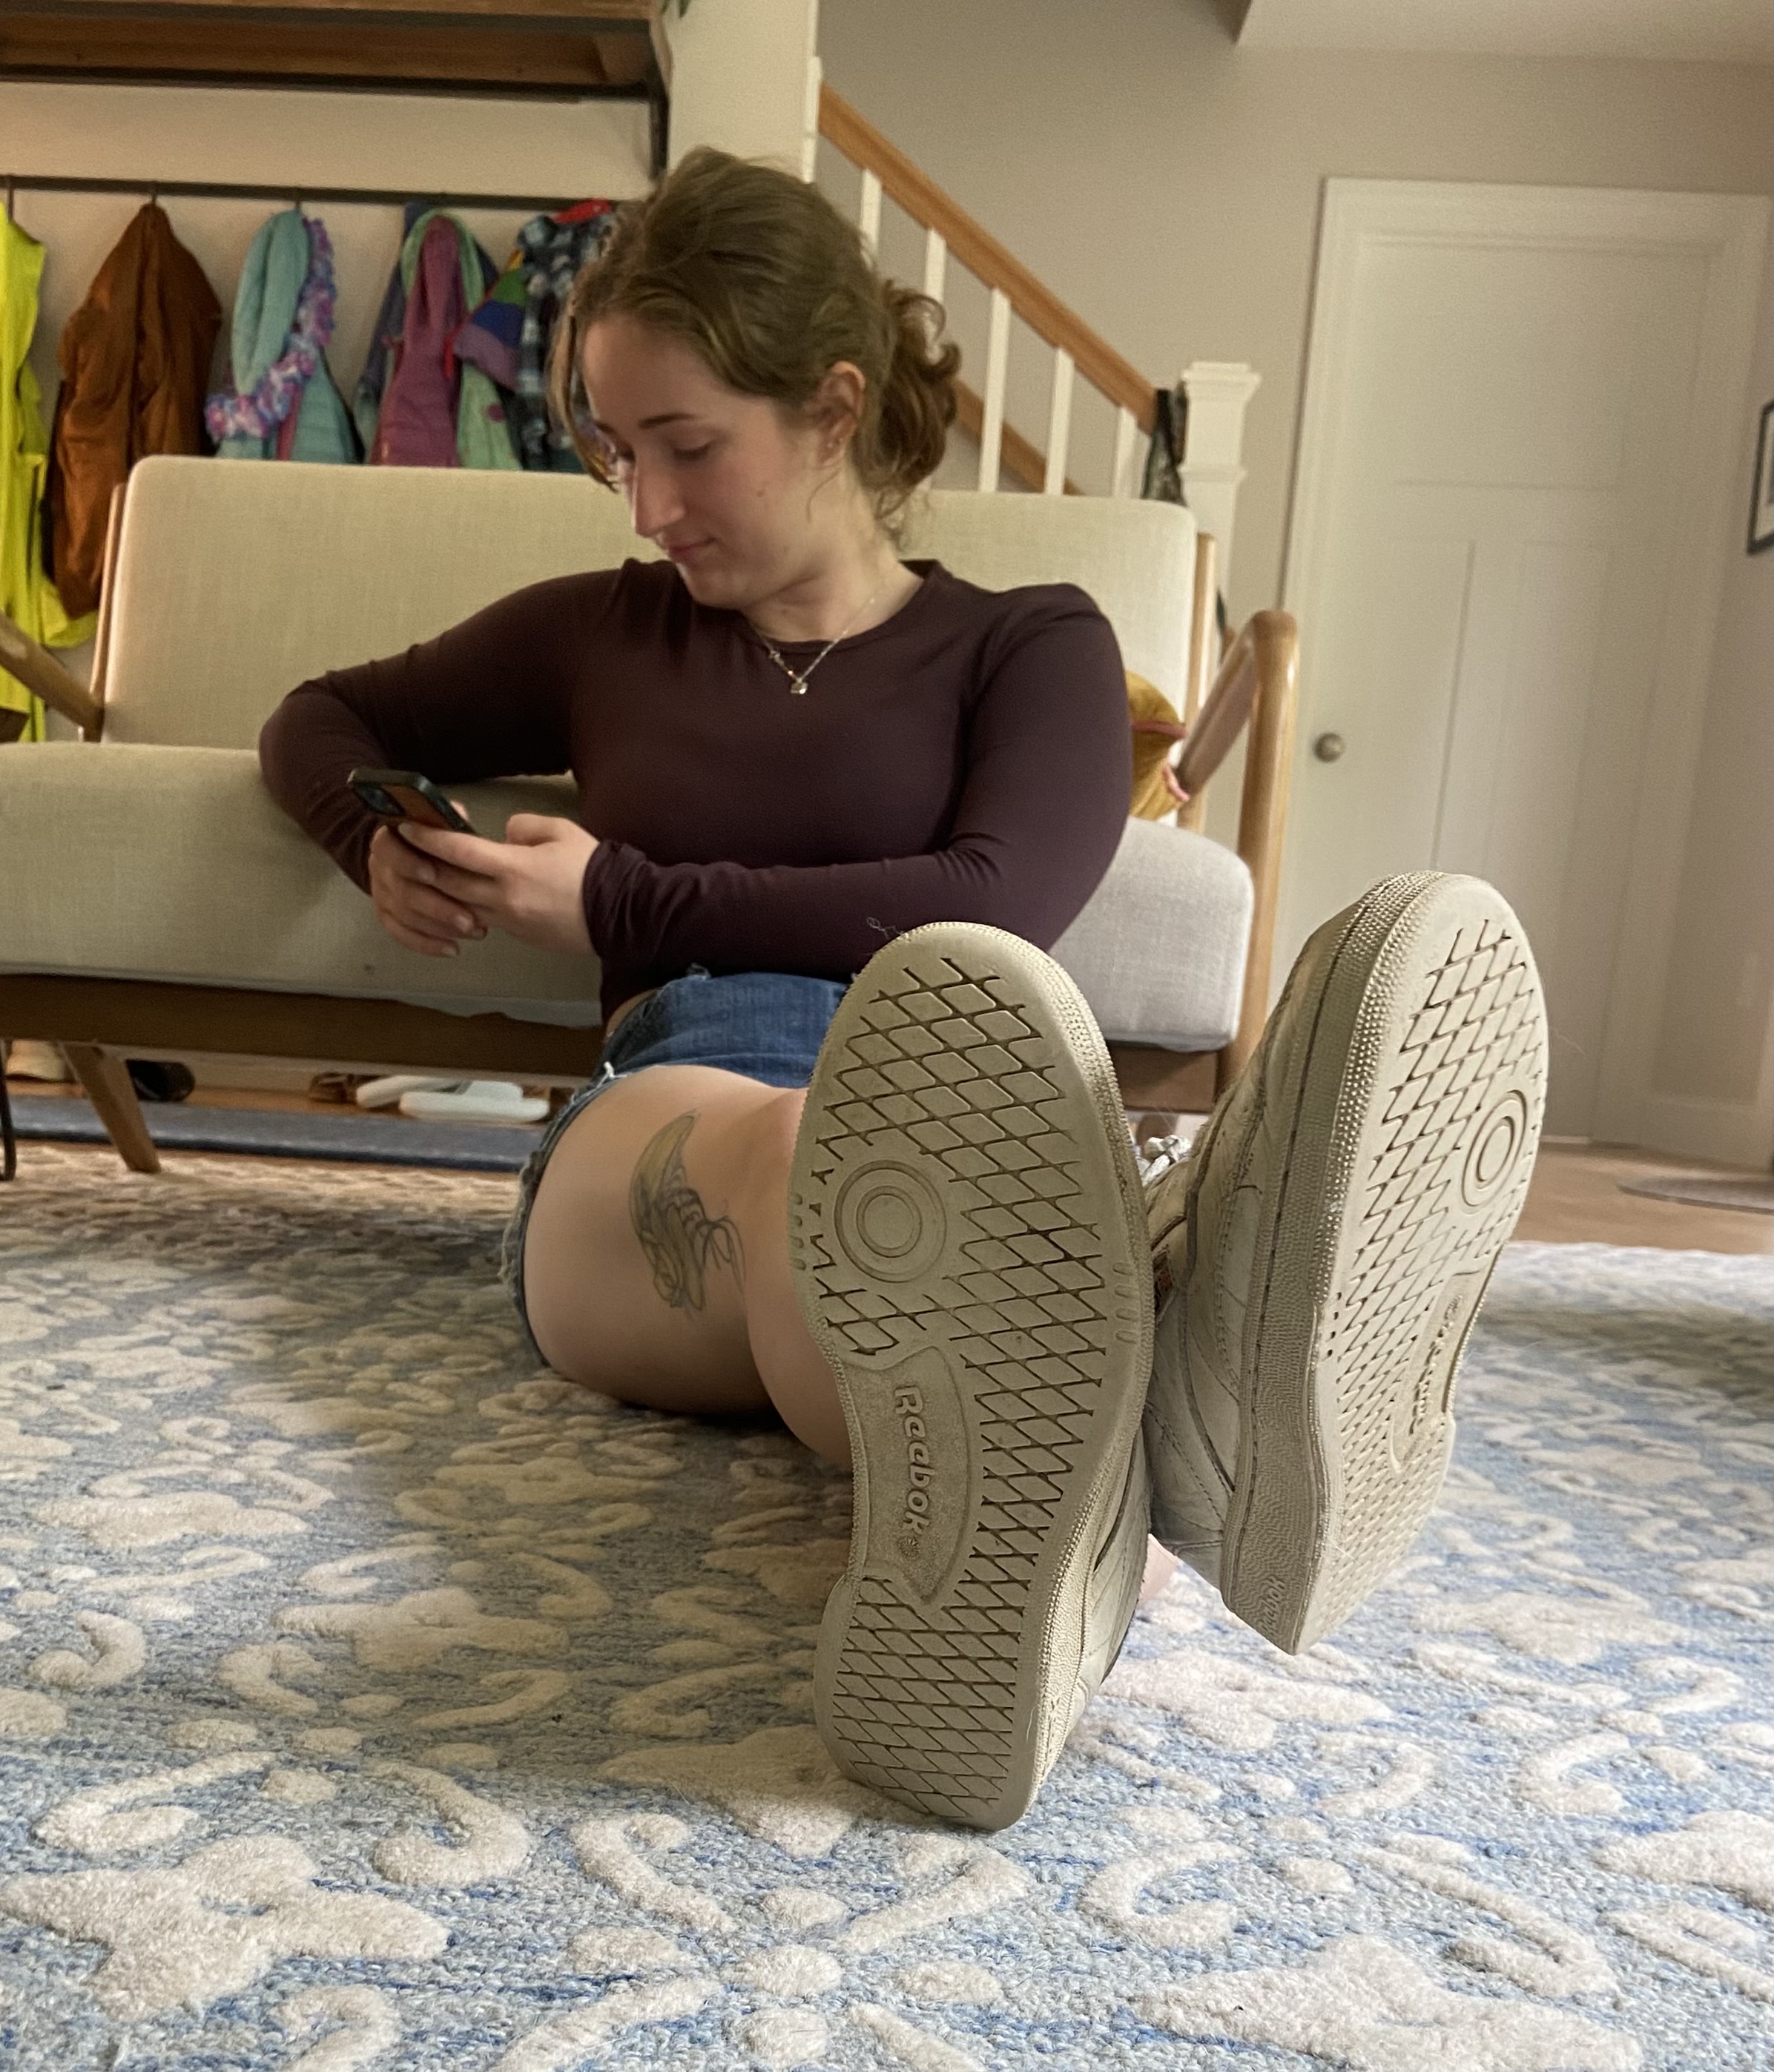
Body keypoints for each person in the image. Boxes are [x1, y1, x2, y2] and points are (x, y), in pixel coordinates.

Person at [260, 148, 1549, 1832]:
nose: (644, 504)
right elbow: (317, 716)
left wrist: (618, 893)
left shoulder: (1034, 646)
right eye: (618, 451)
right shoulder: (603, 632)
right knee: (826, 1157)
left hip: (997, 1118)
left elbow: (993, 902)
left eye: (685, 444)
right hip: (681, 1097)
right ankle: (1185, 1379)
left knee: (950, 1158)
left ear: (833, 406)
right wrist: (377, 838)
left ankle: (1095, 1447)